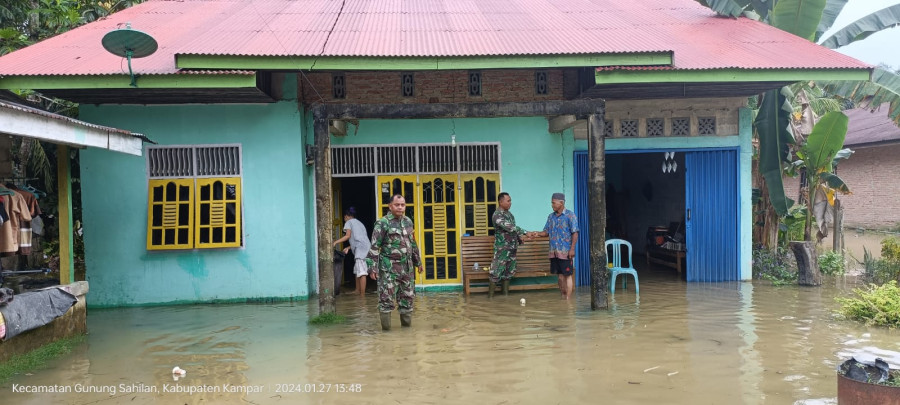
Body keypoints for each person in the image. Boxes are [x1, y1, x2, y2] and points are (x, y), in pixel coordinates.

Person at [366, 195, 424, 331]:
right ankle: (386, 335)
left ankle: (407, 333)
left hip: (407, 269)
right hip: (389, 269)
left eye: (402, 205)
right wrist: (372, 268)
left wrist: (418, 262)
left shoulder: (408, 222)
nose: (400, 207)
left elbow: (412, 243)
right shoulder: (382, 223)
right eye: (397, 205)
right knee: (386, 300)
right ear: (390, 206)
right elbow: (375, 246)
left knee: (407, 299)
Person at [528, 192, 579, 300]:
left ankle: (568, 300)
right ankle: (563, 297)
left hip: (565, 252)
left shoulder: (570, 215)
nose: (552, 205)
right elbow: (546, 232)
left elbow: (575, 233)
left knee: (567, 275)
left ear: (561, 203)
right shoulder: (551, 217)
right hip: (554, 252)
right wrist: (536, 233)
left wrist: (572, 249)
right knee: (560, 276)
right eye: (552, 203)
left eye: (553, 203)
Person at [489, 192, 527, 298]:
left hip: (512, 248)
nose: (510, 203)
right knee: (496, 273)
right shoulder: (497, 215)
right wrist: (525, 232)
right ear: (501, 202)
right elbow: (509, 227)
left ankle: (505, 297)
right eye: (508, 200)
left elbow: (513, 230)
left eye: (510, 200)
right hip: (502, 249)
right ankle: (490, 299)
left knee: (508, 273)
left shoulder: (510, 215)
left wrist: (519, 239)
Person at [332, 207, 371, 297]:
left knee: (362, 272)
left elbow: (347, 236)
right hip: (364, 247)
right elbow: (359, 239)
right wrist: (349, 248)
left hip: (360, 249)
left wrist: (335, 242)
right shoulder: (359, 223)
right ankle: (357, 290)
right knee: (357, 270)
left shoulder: (348, 222)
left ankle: (362, 295)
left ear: (346, 216)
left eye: (344, 217)